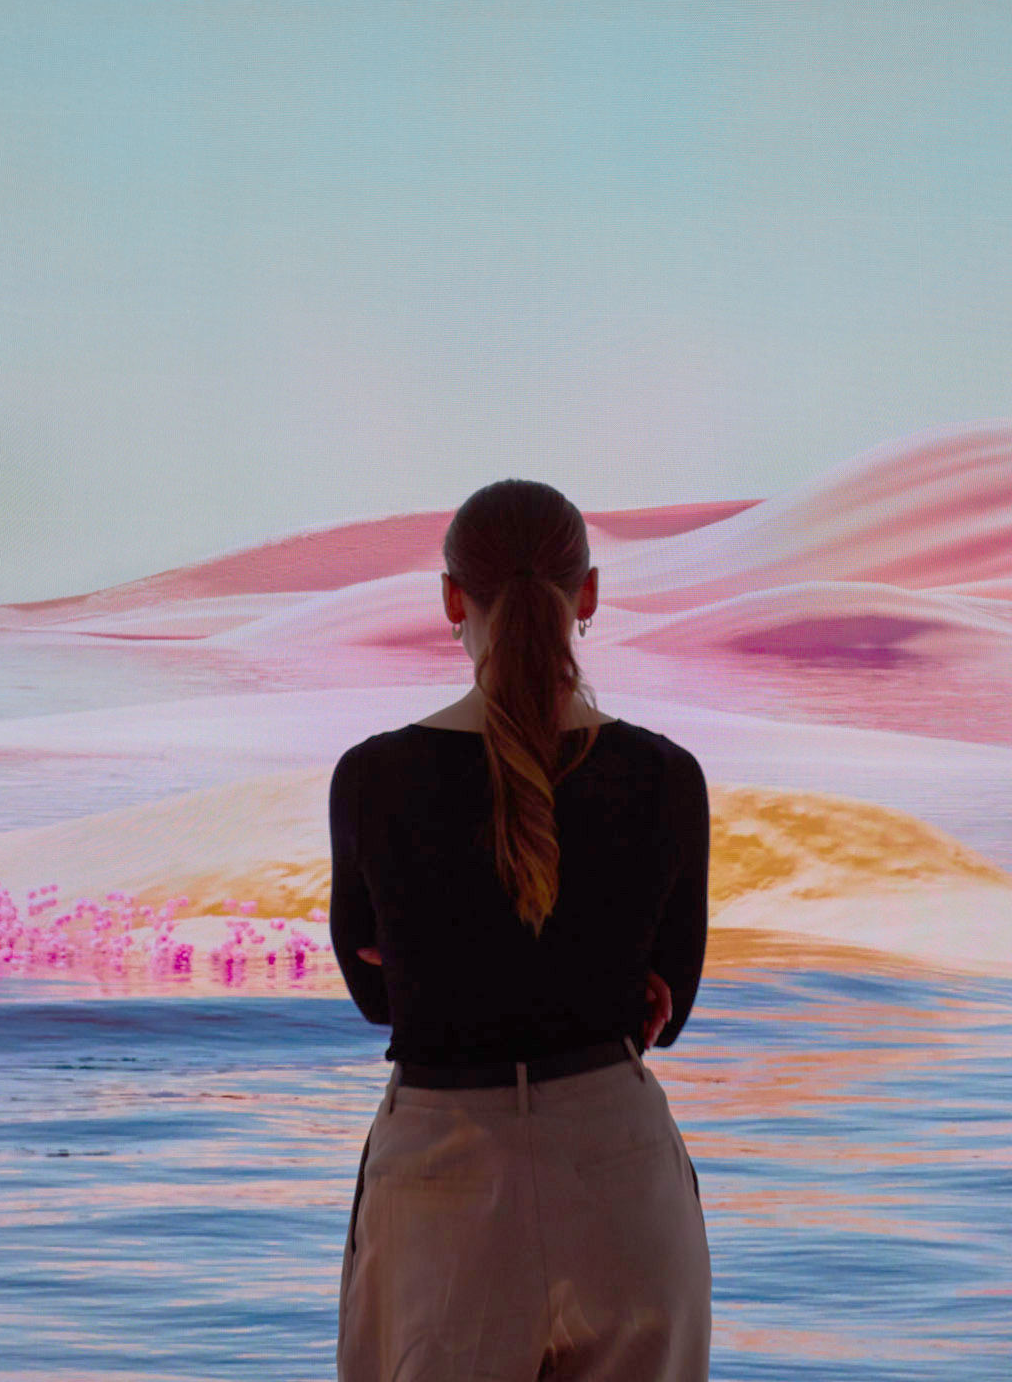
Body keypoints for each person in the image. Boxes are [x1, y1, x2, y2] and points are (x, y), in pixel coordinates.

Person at [329, 478, 712, 1380]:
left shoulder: (375, 778)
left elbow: (379, 996)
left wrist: (447, 964)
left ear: (453, 599)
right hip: (620, 1170)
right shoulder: (666, 777)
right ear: (588, 595)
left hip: (441, 1177)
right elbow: (672, 1004)